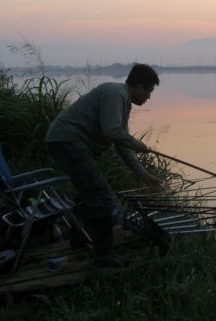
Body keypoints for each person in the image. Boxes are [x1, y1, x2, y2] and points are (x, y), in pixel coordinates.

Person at [45, 63, 162, 267]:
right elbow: (113, 132)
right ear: (139, 87)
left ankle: (78, 239)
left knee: (88, 193)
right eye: (149, 91)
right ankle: (104, 254)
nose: (149, 97)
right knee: (101, 197)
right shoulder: (115, 93)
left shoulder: (123, 101)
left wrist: (145, 175)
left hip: (69, 143)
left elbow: (122, 145)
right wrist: (138, 144)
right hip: (68, 141)